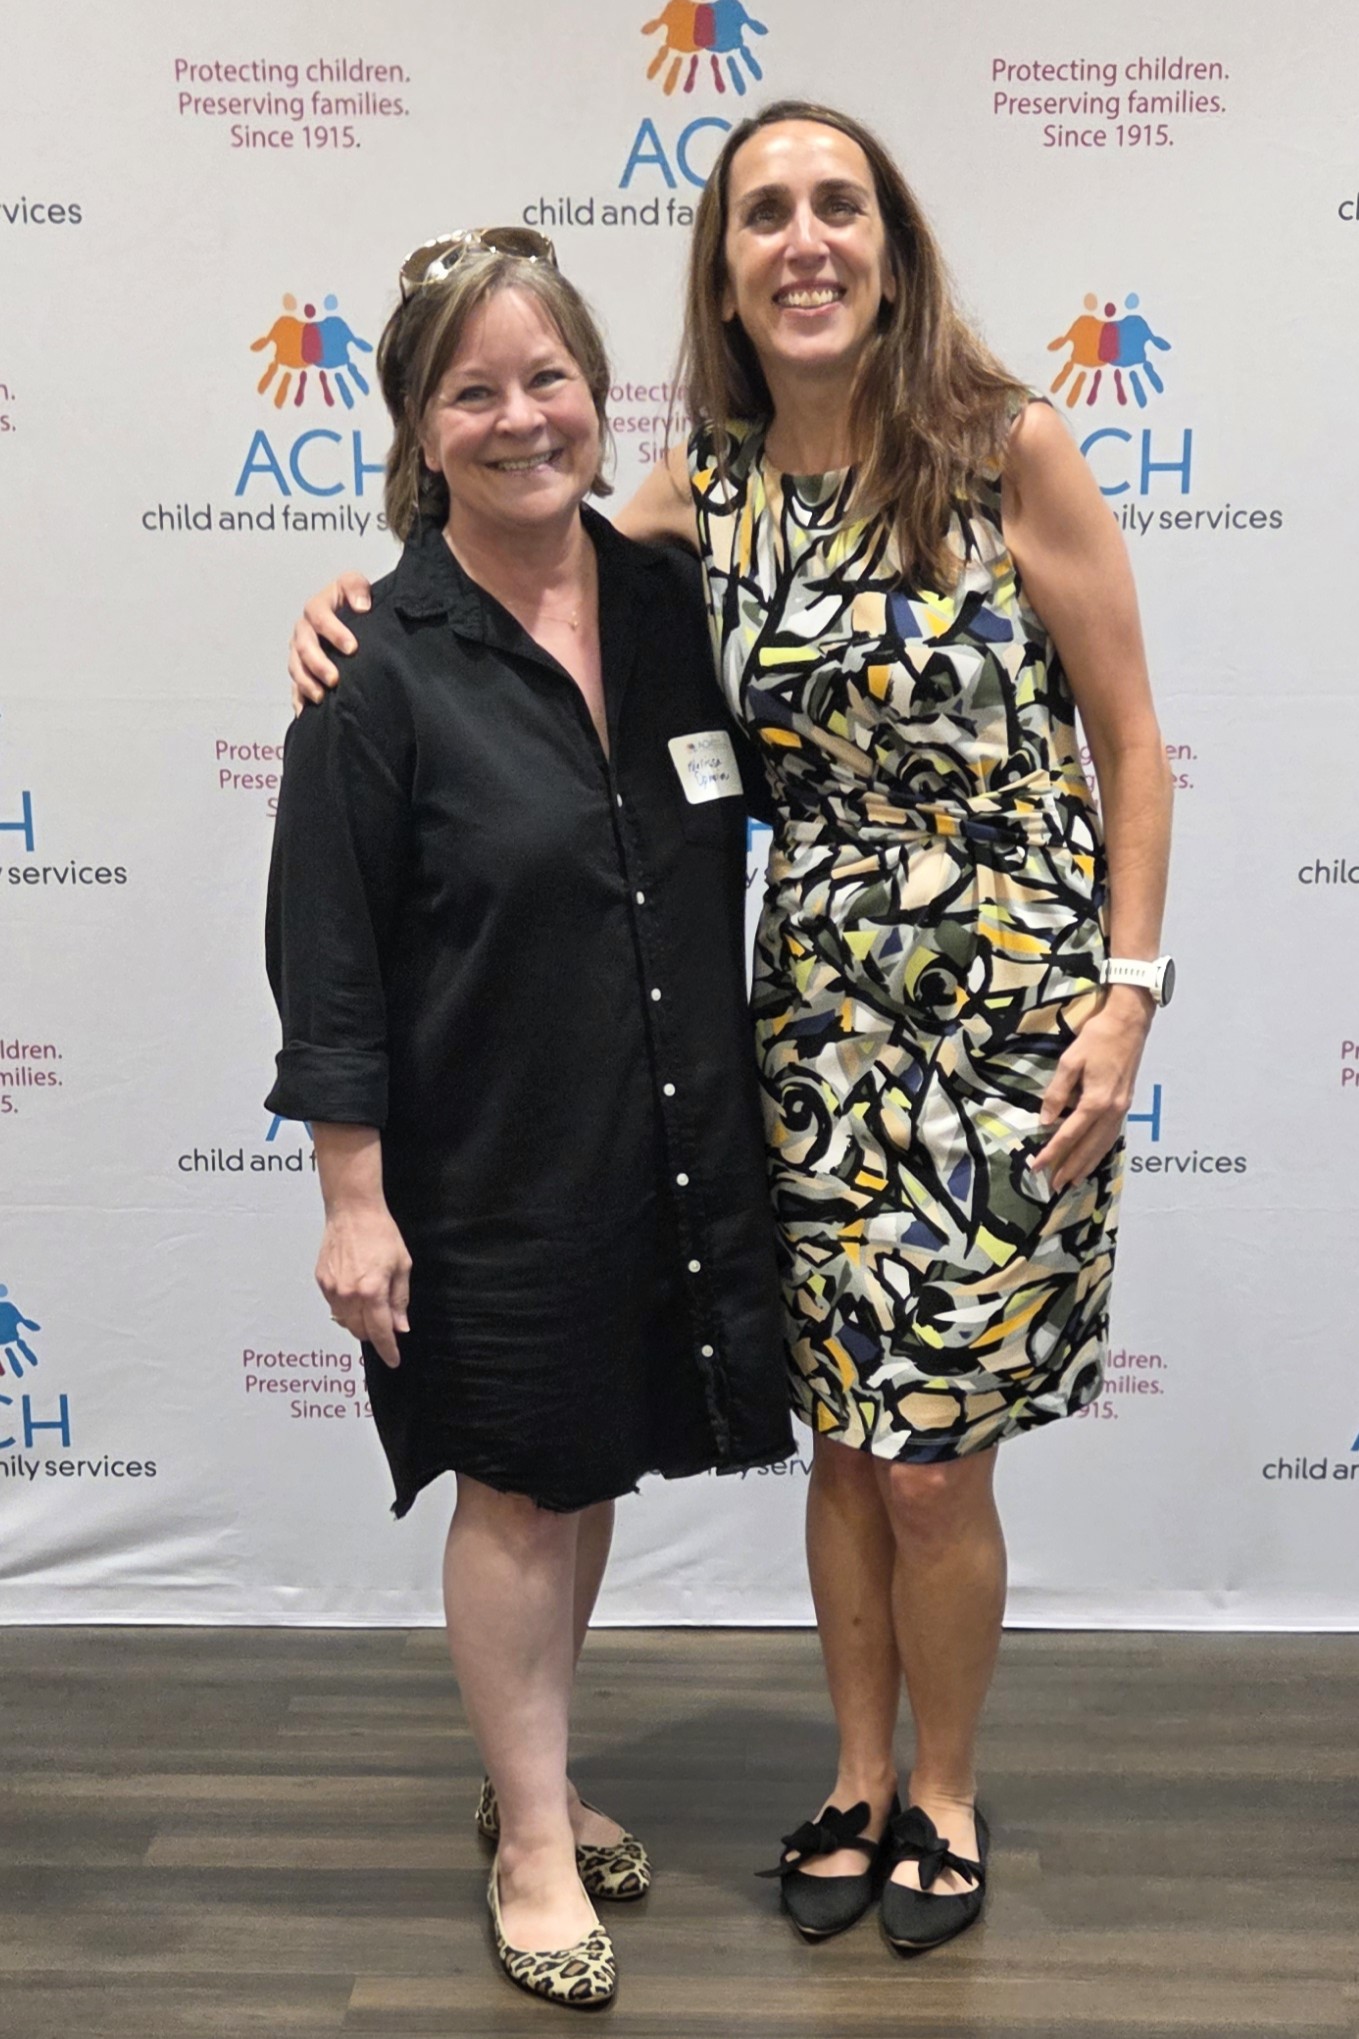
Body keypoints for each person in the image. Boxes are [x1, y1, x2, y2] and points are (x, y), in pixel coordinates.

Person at [288, 101, 1173, 1960]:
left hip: (1011, 1037)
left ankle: (946, 1792)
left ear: (892, 242)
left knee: (935, 1457)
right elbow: (512, 564)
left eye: (838, 204)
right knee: (848, 1440)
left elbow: (1132, 743)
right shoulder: (709, 494)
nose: (805, 240)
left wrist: (1131, 989)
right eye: (765, 212)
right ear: (726, 267)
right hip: (814, 1034)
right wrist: (354, 597)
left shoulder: (1003, 448)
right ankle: (853, 1777)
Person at [266, 227, 792, 2009]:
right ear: (418, 432)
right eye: (471, 391)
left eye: (547, 377)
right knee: (512, 1490)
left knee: (583, 1470)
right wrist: (354, 1199)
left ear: (597, 391)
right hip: (487, 1168)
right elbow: (328, 959)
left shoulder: (669, 607)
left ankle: (535, 1777)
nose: (520, 418)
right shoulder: (378, 665)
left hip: (670, 1149)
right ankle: (534, 1848)